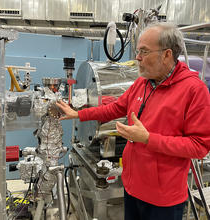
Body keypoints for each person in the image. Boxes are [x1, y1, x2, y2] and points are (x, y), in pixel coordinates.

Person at [56, 22, 210, 220]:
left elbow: (199, 147)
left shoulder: (194, 91)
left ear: (167, 54)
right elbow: (116, 108)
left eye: (144, 52)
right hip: (132, 187)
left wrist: (148, 138)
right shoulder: (142, 82)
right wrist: (79, 114)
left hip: (163, 199)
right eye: (138, 51)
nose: (137, 57)